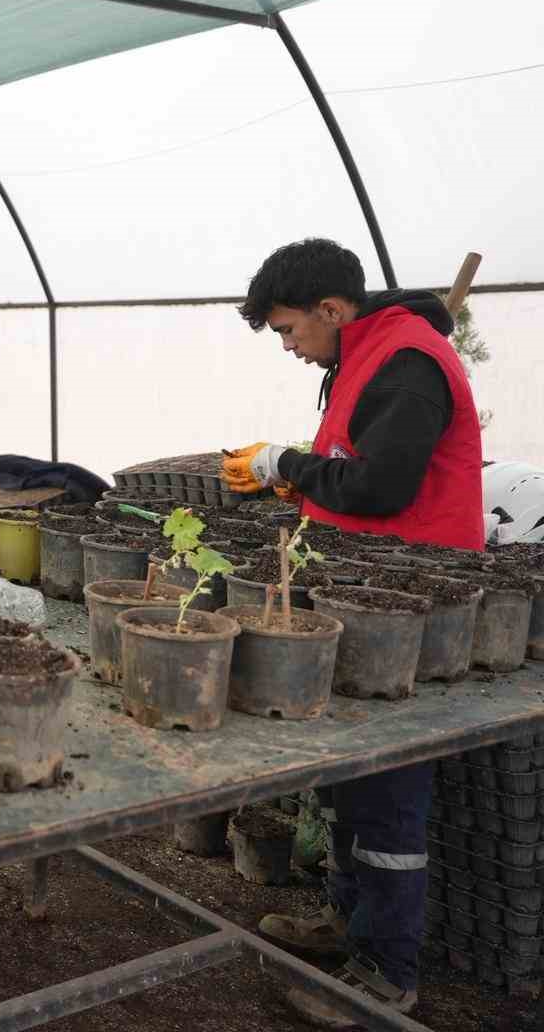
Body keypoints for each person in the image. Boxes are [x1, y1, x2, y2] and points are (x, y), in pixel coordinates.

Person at [221, 238, 483, 1030]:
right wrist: (300, 490)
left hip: (408, 609)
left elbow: (382, 486)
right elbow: (353, 463)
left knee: (389, 789)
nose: (289, 347)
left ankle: (386, 976)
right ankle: (347, 922)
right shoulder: (362, 355)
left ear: (332, 309)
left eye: (289, 330)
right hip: (364, 593)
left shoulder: (408, 362)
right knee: (347, 777)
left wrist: (286, 464)